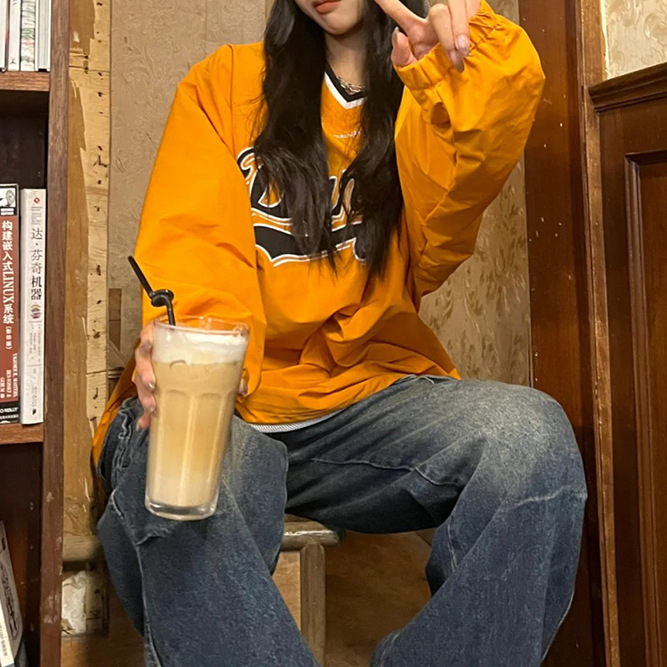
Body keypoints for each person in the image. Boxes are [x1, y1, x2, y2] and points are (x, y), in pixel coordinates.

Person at [93, 0, 587, 664]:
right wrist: (197, 365)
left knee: (533, 440)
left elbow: (456, 205)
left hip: (356, 409)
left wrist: (461, 53)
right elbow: (196, 253)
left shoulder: (422, 95)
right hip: (227, 402)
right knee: (192, 479)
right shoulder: (225, 83)